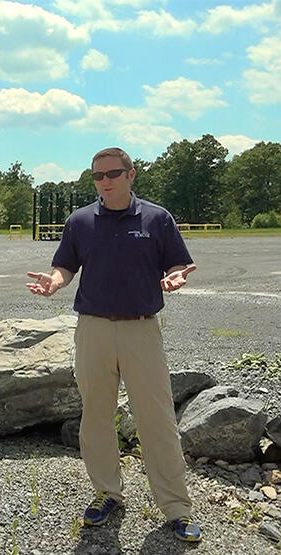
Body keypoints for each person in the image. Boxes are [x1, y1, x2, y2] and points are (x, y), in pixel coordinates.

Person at [26, 147, 201, 543]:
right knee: (96, 417)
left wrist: (176, 277)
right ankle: (107, 492)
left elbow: (177, 263)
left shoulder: (157, 218)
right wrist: (55, 281)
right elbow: (66, 265)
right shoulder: (80, 221)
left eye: (113, 173)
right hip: (94, 330)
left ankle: (176, 507)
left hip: (141, 331)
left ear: (131, 174)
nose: (105, 181)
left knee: (157, 420)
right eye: (98, 176)